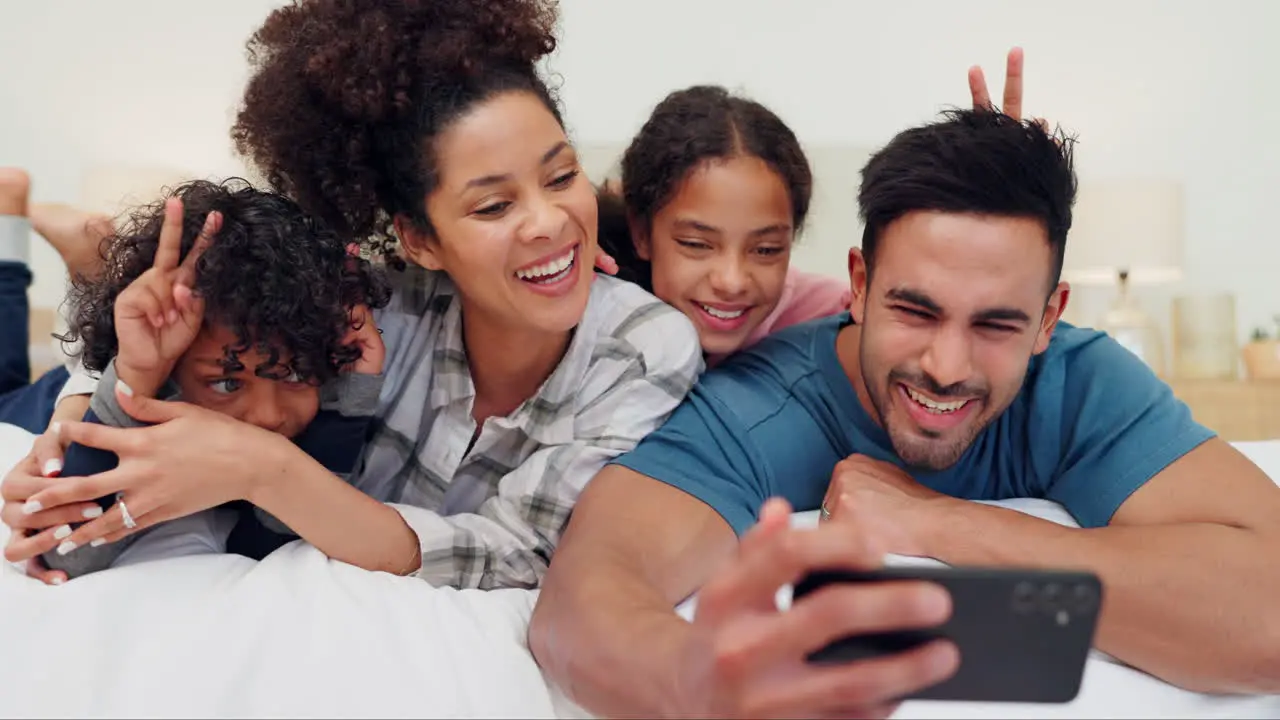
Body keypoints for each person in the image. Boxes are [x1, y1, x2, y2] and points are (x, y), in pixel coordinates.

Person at [531, 107, 1280, 717]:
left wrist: (935, 522)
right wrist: (703, 684)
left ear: (1051, 318)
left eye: (996, 324)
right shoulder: (759, 407)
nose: (946, 368)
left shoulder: (1080, 382)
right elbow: (584, 600)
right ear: (857, 284)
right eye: (914, 311)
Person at [2, 0, 702, 590]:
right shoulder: (364, 308)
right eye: (493, 207)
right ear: (418, 240)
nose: (549, 223)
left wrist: (267, 469)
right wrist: (98, 395)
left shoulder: (643, 346)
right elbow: (185, 367)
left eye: (561, 178)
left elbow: (519, 553)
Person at [30, 178, 389, 578]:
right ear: (173, 373)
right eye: (227, 383)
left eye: (295, 374)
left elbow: (265, 550)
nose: (268, 415)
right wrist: (138, 373)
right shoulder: (158, 401)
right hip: (40, 401)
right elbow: (68, 554)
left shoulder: (324, 411)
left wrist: (353, 395)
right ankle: (54, 240)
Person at [595, 86, 848, 365]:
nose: (732, 282)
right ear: (641, 233)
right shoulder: (592, 313)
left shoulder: (824, 313)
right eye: (696, 245)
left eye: (766, 250)